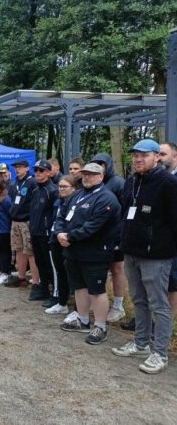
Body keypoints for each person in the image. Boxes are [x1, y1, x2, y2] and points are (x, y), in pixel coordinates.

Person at [111, 139, 177, 374]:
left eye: (145, 155)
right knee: (139, 300)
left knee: (158, 304)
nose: (139, 159)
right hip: (132, 252)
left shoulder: (168, 183)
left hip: (157, 255)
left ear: (157, 157)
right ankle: (141, 343)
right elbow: (127, 214)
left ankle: (159, 353)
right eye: (136, 155)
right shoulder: (131, 182)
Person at [55, 163, 121, 345]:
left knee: (96, 291)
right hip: (73, 251)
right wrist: (59, 232)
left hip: (95, 253)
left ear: (101, 176)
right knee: (79, 287)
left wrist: (69, 236)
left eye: (92, 174)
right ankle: (82, 320)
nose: (87, 177)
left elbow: (93, 226)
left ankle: (100, 326)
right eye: (84, 174)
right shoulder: (77, 194)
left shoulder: (107, 198)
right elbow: (61, 214)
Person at [90, 152, 127, 323]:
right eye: (95, 163)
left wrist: (121, 234)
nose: (99, 166)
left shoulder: (118, 183)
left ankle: (118, 306)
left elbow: (126, 210)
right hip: (96, 236)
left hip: (116, 236)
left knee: (117, 269)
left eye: (102, 163)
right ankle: (97, 302)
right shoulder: (92, 181)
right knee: (98, 269)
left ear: (108, 165)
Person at [20, 160, 58, 300]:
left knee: (50, 264)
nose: (38, 173)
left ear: (48, 172)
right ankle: (43, 289)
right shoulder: (35, 189)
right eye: (36, 170)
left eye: (41, 170)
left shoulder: (52, 190)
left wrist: (51, 231)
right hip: (35, 231)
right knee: (39, 262)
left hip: (46, 233)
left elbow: (55, 214)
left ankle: (55, 292)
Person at [7, 160, 40, 296]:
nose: (17, 170)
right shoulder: (15, 183)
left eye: (20, 167)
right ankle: (21, 277)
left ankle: (36, 282)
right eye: (16, 168)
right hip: (15, 220)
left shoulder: (32, 182)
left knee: (30, 252)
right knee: (19, 249)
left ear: (27, 168)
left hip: (27, 221)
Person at [45, 175, 77, 315]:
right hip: (55, 238)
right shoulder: (59, 202)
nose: (62, 189)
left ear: (74, 188)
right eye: (60, 186)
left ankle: (78, 309)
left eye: (65, 186)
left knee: (74, 275)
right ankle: (62, 302)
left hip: (70, 241)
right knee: (60, 272)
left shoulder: (76, 202)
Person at [159, 142, 177, 314]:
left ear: (175, 156)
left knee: (172, 282)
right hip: (160, 240)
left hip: (173, 240)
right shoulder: (158, 177)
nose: (159, 158)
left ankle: (168, 323)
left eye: (163, 154)